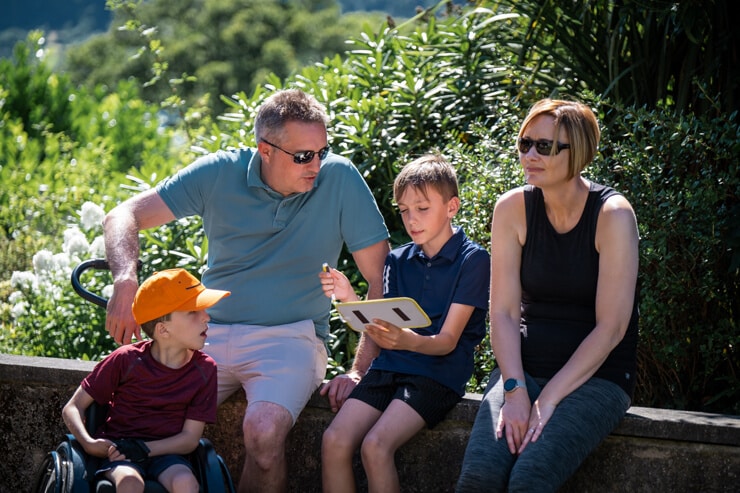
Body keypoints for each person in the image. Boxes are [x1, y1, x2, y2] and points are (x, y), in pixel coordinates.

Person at [102, 88, 390, 493]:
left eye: (322, 151)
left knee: (263, 432)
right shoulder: (220, 173)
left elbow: (383, 277)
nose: (317, 165)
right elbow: (123, 214)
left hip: (292, 337)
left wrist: (360, 368)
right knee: (139, 420)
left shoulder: (339, 178)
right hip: (205, 334)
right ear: (265, 150)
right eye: (303, 156)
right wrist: (124, 280)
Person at [455, 99, 640, 492]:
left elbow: (612, 328)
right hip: (523, 369)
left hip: (597, 378)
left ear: (579, 153)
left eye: (545, 146)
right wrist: (514, 389)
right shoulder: (512, 208)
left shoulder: (613, 216)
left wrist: (549, 399)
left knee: (530, 480)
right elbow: (503, 312)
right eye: (525, 143)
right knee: (479, 478)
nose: (530, 155)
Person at [319, 154, 491, 493]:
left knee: (375, 446)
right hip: (390, 367)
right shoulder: (397, 259)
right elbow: (380, 328)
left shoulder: (474, 260)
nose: (412, 220)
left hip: (438, 373)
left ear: (452, 206)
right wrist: (350, 299)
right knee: (334, 441)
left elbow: (447, 341)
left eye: (422, 208)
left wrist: (405, 341)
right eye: (404, 210)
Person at [62, 268, 230, 493]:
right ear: (163, 329)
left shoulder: (205, 369)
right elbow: (73, 407)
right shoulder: (126, 360)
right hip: (119, 453)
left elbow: (190, 439)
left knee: (186, 484)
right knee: (130, 483)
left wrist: (143, 449)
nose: (206, 316)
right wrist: (89, 444)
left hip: (168, 454)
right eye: (193, 312)